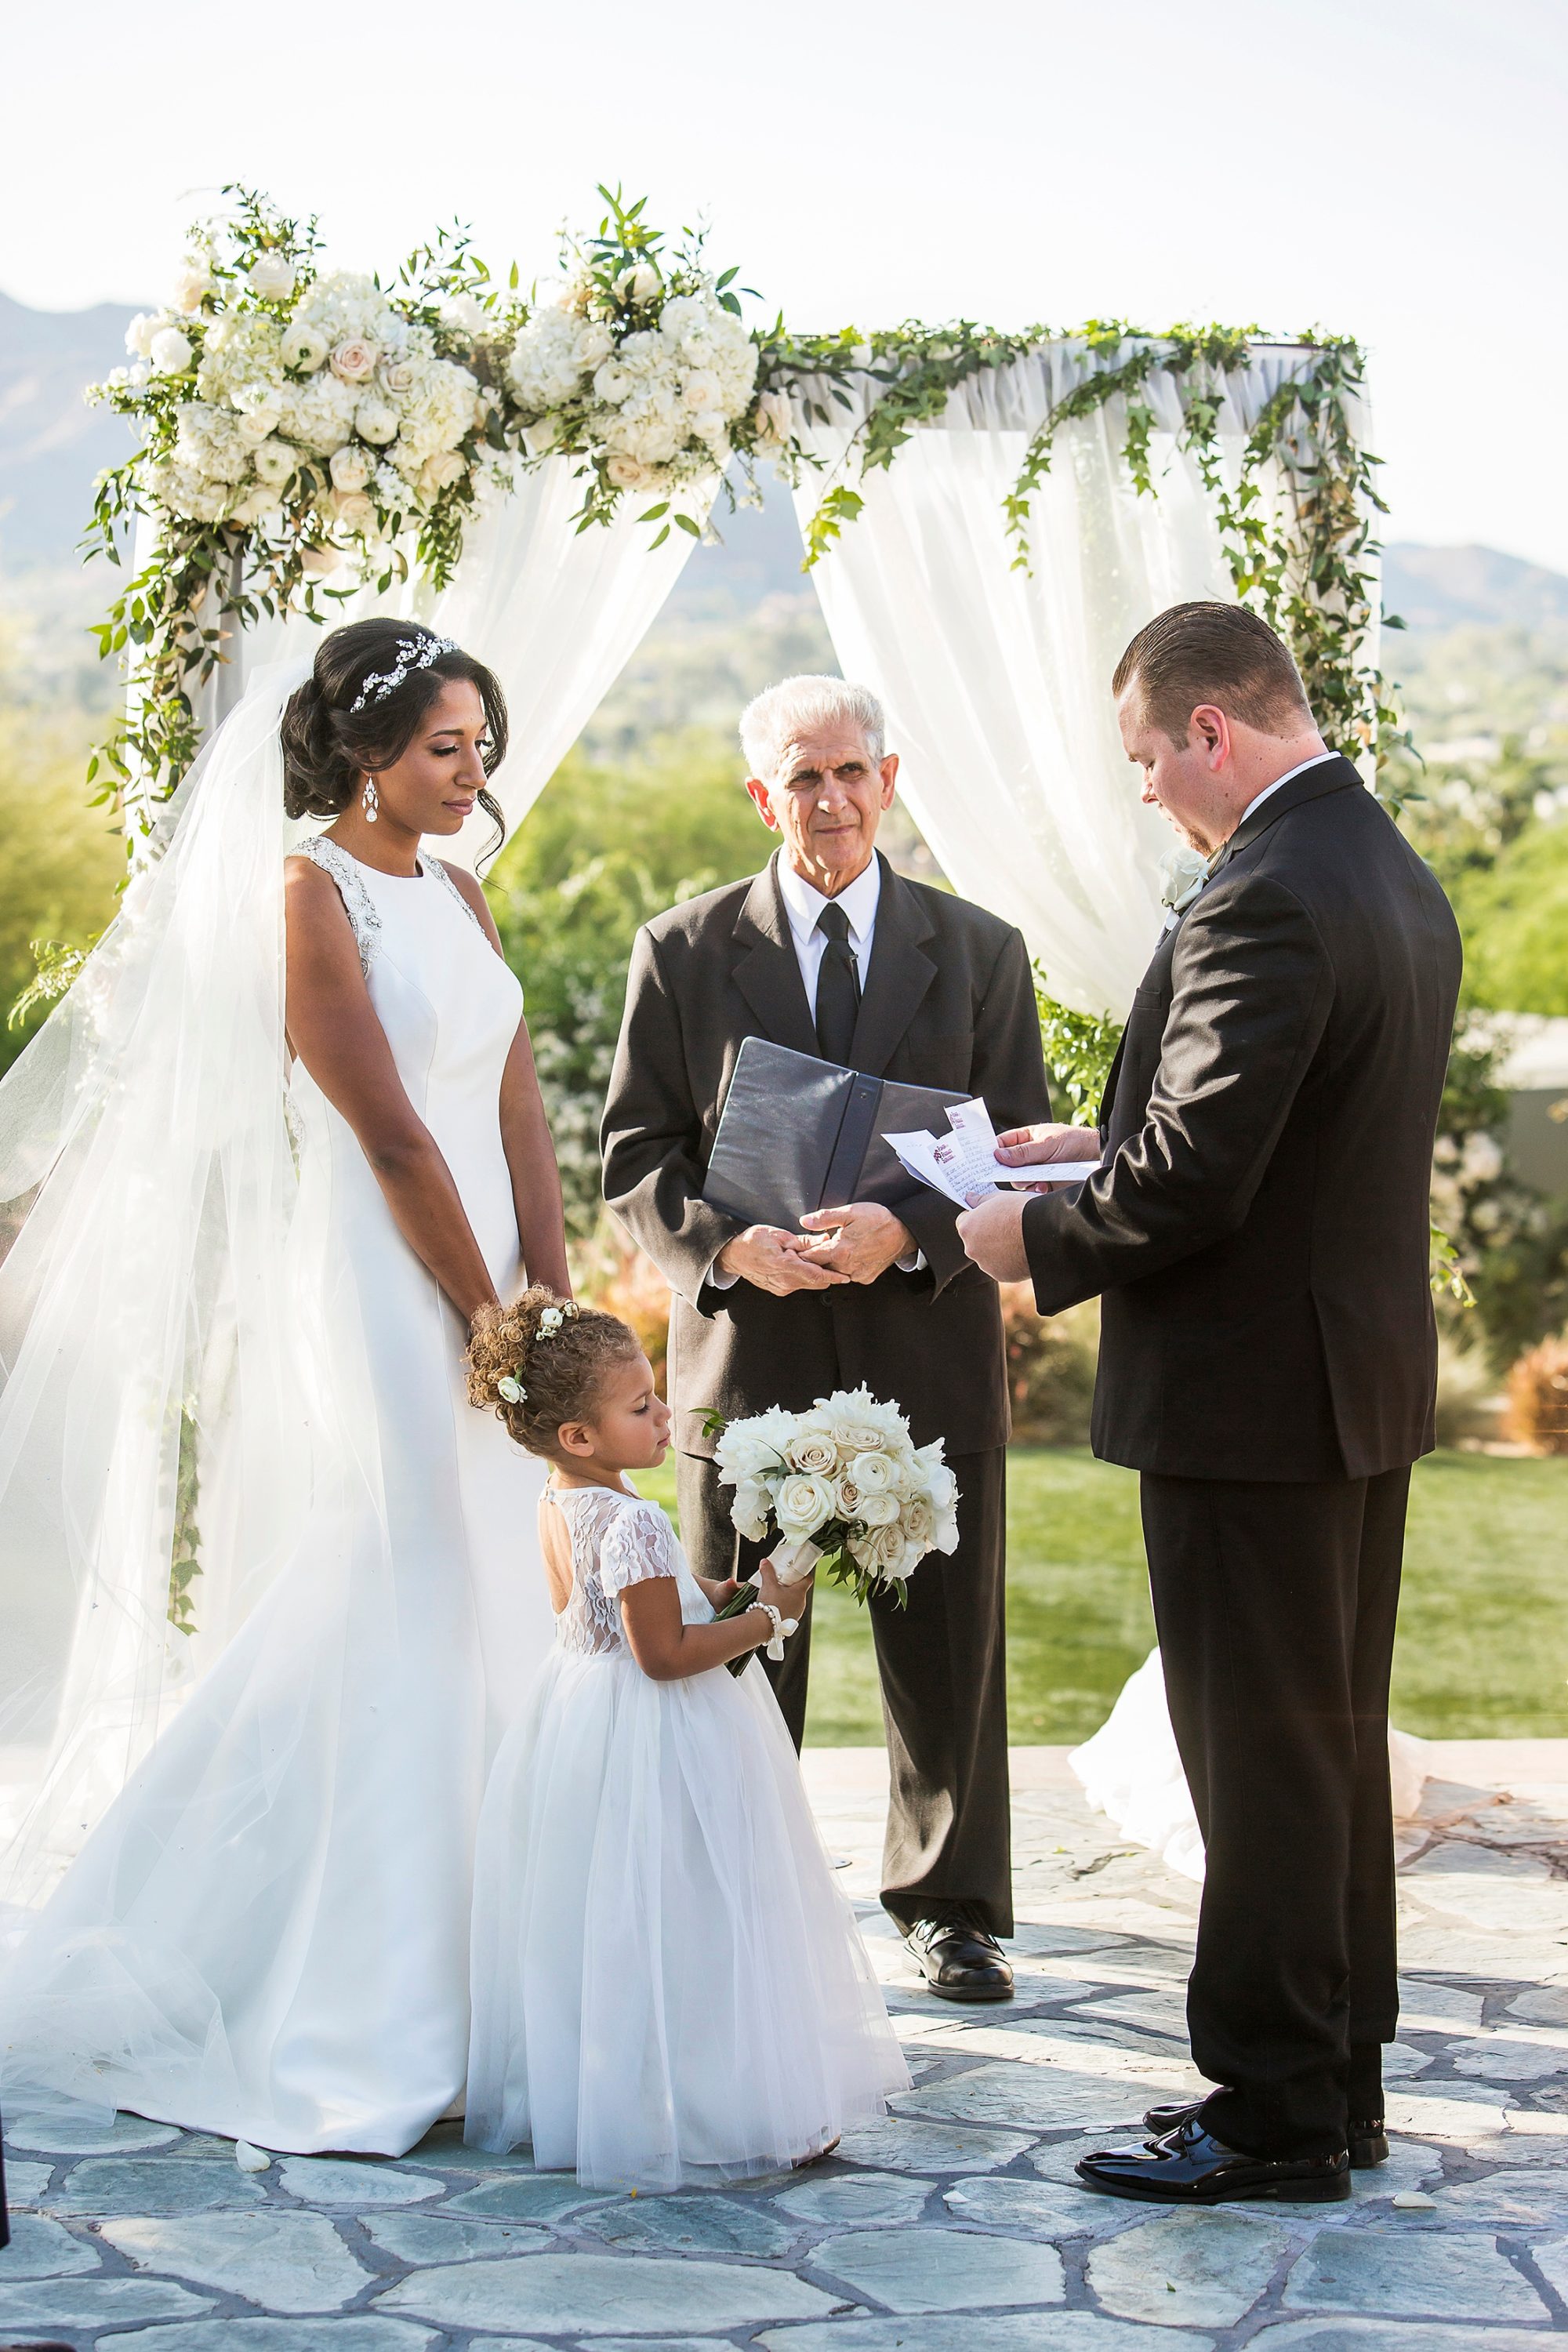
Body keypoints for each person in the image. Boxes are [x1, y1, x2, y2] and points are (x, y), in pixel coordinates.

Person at [0, 619, 569, 2155]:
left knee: (509, 1590)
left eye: (477, 746)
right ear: (364, 751)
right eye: (444, 747)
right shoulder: (305, 898)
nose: (471, 774)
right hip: (387, 1288)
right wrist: (481, 1323)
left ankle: (510, 1980)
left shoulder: (460, 888)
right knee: (416, 1584)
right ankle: (376, 2000)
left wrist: (555, 1306)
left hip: (498, 1277)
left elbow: (514, 1105)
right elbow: (389, 1133)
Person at [960, 602, 1461, 2205]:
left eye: (1143, 763)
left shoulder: (1264, 893)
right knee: (1316, 1753)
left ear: (1208, 733)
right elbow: (1266, 1135)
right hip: (1343, 1388)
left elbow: (1200, 1182)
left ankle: (1266, 2114)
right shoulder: (1384, 867)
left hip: (1250, 1402)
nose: (1146, 796)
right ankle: (1335, 2080)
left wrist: (1022, 1238)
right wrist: (1082, 1150)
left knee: (1253, 1764)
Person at [601, 676, 1051, 2004]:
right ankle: (731, 1893)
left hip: (926, 1343)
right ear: (763, 795)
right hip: (753, 1356)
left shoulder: (980, 952)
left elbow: (1016, 1150)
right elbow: (635, 1161)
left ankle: (952, 1905)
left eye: (853, 771)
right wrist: (725, 1250)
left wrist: (901, 1234)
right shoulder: (680, 952)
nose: (833, 798)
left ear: (889, 777)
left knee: (947, 1637)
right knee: (740, 1626)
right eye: (805, 778)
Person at [463, 1287, 907, 2188]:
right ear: (577, 1436)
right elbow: (663, 1654)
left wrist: (738, 1584)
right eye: (640, 1407)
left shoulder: (563, 1503)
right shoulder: (631, 1519)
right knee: (699, 1911)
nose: (665, 1414)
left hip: (582, 1726)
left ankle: (621, 2095)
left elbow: (621, 1606)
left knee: (622, 1922)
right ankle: (720, 2107)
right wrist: (766, 1624)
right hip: (655, 1735)